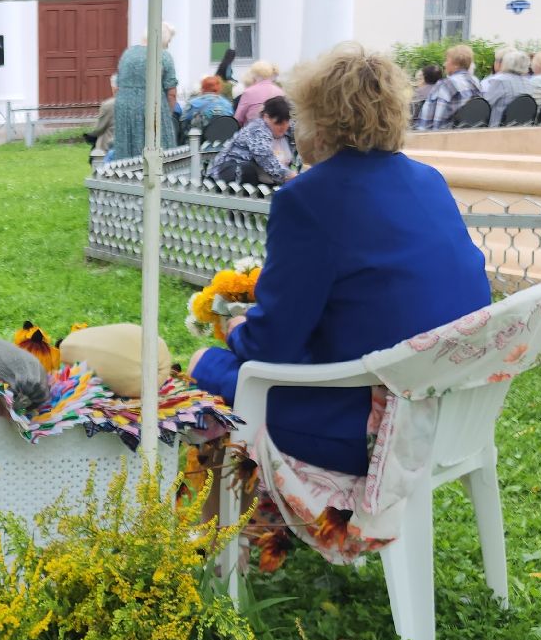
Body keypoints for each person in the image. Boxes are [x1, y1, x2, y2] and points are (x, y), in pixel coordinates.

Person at [190, 43, 490, 478]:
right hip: (451, 414)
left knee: (205, 365)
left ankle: (235, 527)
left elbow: (273, 345)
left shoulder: (308, 198)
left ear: (318, 120)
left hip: (365, 428)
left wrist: (236, 330)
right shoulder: (428, 181)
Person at [112, 22, 179, 159]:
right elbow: (171, 92)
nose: (168, 45)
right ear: (163, 39)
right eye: (169, 41)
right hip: (153, 108)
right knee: (159, 148)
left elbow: (117, 86)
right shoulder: (163, 56)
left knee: (126, 150)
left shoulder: (127, 54)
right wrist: (168, 113)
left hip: (124, 108)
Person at [206, 95, 295, 185]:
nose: (283, 127)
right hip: (231, 174)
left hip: (262, 178)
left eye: (286, 122)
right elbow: (265, 157)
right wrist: (288, 175)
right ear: (266, 117)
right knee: (247, 169)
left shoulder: (288, 131)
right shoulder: (257, 129)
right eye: (278, 123)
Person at [414, 44, 481, 130]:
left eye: (447, 60)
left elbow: (436, 122)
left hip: (443, 139)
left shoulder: (447, 85)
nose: (444, 64)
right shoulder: (476, 82)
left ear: (456, 64)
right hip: (468, 136)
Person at [480, 48, 531, 126]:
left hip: (498, 129)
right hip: (521, 127)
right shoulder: (528, 82)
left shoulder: (499, 80)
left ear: (506, 63)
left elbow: (485, 106)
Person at [233, 60, 284, 126]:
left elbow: (238, 119)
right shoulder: (280, 91)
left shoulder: (249, 92)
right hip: (276, 133)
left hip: (253, 133)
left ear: (254, 74)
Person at [85, 73, 117, 162]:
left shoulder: (108, 105)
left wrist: (89, 135)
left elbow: (99, 128)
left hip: (109, 146)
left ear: (114, 88)